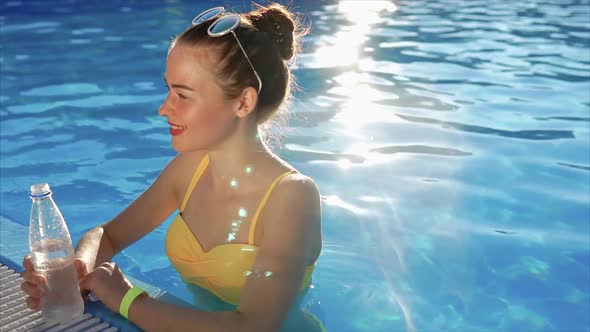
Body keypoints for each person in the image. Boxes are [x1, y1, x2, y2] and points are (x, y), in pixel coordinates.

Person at [20, 3, 323, 331]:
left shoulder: (292, 196)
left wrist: (128, 299)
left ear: (243, 102)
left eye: (183, 95)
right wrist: (79, 271)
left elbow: (253, 326)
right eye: (169, 90)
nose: (164, 109)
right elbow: (107, 234)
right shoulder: (189, 170)